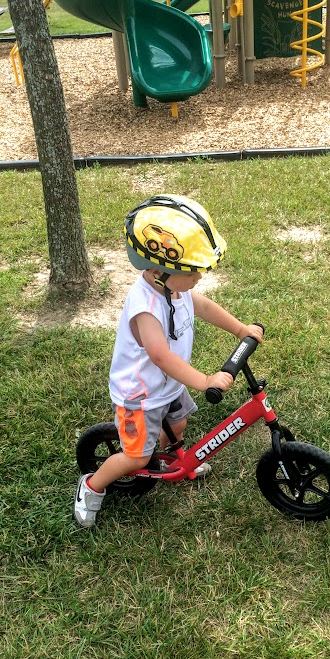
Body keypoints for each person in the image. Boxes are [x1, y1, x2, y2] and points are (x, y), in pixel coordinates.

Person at [74, 194, 263, 526]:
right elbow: (160, 356)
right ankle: (92, 486)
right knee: (134, 457)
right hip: (141, 396)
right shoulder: (145, 307)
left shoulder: (176, 289)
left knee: (177, 425)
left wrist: (240, 329)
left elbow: (202, 306)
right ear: (160, 271)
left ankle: (164, 459)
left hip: (168, 386)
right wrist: (205, 381)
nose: (198, 278)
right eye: (192, 272)